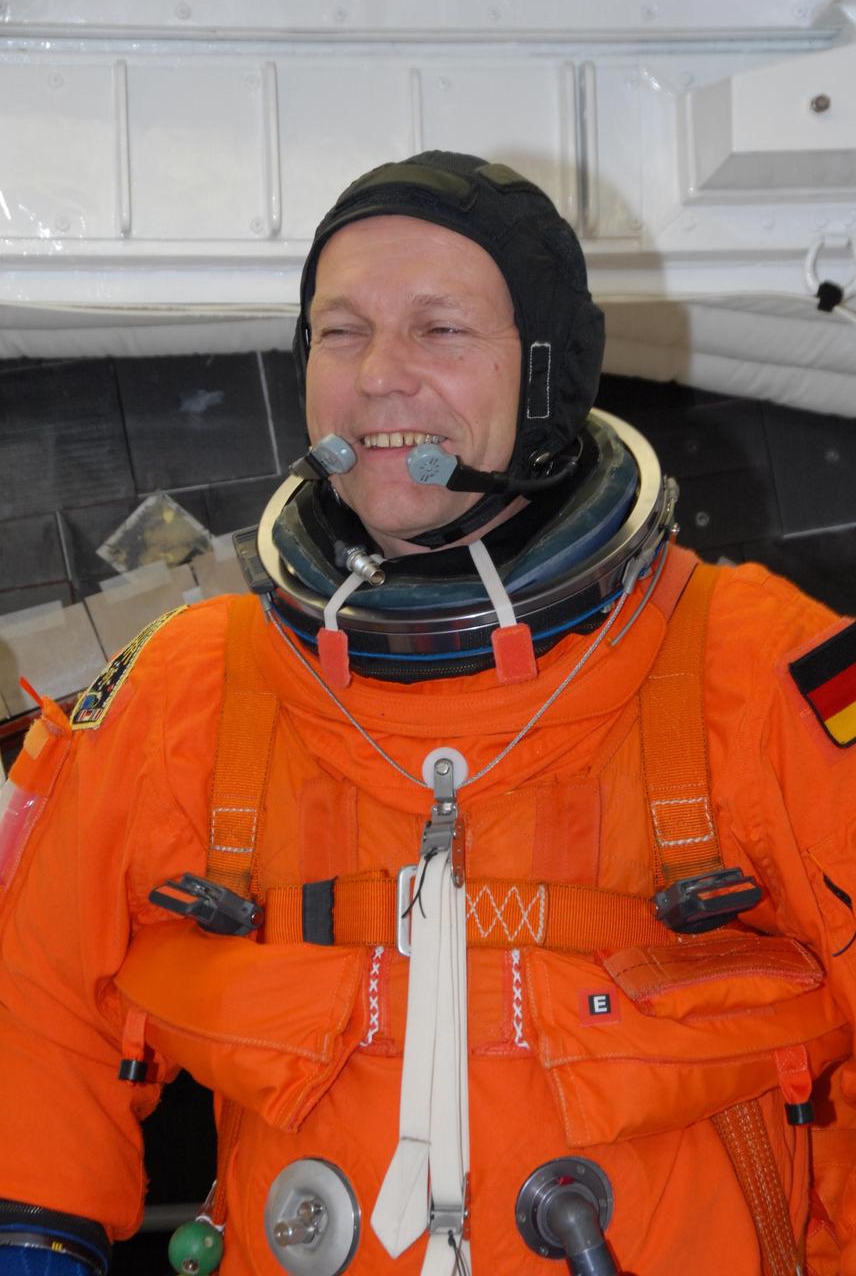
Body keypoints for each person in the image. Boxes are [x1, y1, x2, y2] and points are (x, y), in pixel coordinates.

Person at [0, 150, 855, 1276]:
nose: (380, 377)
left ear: (546, 375)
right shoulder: (189, 691)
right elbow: (36, 1018)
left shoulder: (760, 668)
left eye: (439, 330)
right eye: (340, 332)